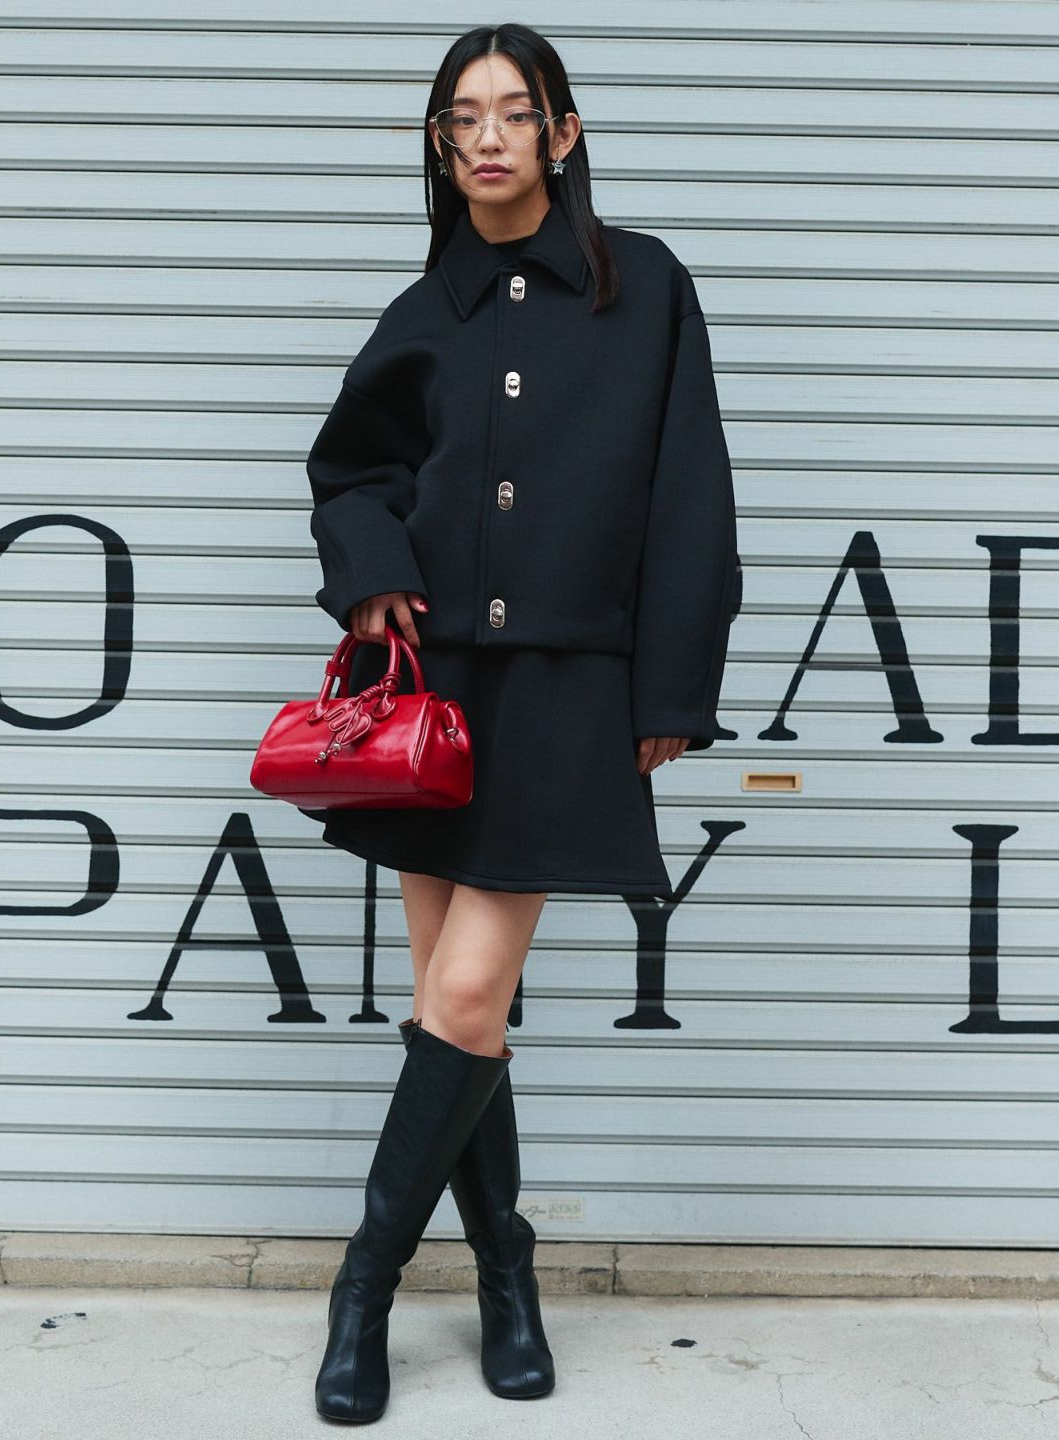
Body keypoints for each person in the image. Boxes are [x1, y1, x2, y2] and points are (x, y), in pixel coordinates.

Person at [305, 21, 741, 1425]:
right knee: (462, 1010)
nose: (487, 136)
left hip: (566, 692)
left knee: (463, 999)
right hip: (436, 697)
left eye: (513, 111)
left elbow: (690, 490)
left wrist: (669, 689)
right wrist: (372, 571)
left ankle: (363, 1289)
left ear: (563, 131)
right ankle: (507, 1275)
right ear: (441, 145)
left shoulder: (644, 285)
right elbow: (350, 471)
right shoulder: (425, 307)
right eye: (463, 117)